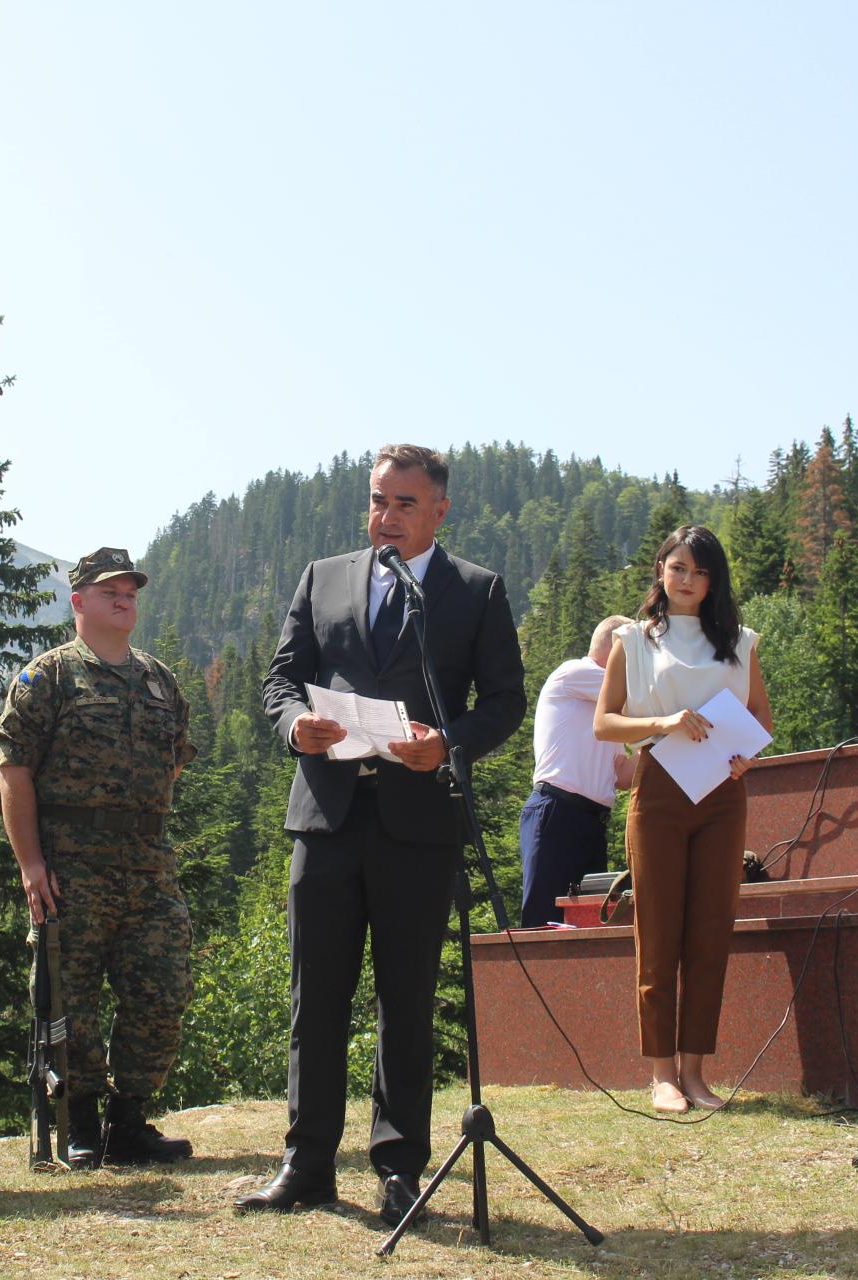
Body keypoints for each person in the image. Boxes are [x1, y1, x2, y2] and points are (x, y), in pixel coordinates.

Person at [243, 445, 525, 1227]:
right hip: (327, 816)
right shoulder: (322, 577)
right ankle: (306, 1164)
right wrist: (294, 723)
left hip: (417, 823)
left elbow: (505, 700)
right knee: (316, 997)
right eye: (377, 501)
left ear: (439, 510)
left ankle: (400, 1168)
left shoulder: (474, 591)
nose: (386, 518)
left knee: (404, 1000)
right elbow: (279, 677)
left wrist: (450, 743)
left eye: (404, 504)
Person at [0, 547, 197, 1168]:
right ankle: (80, 1120)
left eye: (131, 589)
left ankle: (129, 1119)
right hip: (71, 866)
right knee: (71, 998)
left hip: (147, 865)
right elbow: (14, 770)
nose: (123, 597)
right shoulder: (48, 677)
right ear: (78, 601)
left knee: (163, 988)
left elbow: (177, 759)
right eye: (109, 590)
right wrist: (32, 865)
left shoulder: (160, 680)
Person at [592, 525, 771, 1113]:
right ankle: (662, 1074)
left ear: (713, 580)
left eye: (699, 571)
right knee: (659, 931)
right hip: (660, 787)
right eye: (677, 568)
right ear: (660, 572)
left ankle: (696, 1072)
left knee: (710, 932)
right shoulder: (634, 642)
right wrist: (664, 722)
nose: (687, 580)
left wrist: (748, 757)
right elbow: (605, 723)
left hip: (723, 791)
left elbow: (760, 721)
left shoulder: (741, 642)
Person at [518, 616, 637, 927]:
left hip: (590, 822)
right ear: (616, 648)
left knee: (585, 920)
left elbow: (623, 775)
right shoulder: (576, 672)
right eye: (636, 651)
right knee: (544, 920)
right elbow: (641, 705)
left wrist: (665, 745)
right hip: (558, 811)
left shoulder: (607, 712)